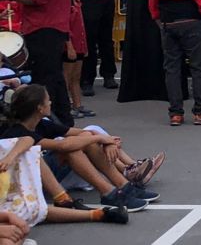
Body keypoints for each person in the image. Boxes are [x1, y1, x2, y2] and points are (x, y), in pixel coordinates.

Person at [0, 86, 130, 225]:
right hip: (22, 181)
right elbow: (59, 145)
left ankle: (124, 179)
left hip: (35, 176)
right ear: (40, 108)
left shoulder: (40, 123)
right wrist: (99, 139)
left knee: (86, 135)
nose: (50, 103)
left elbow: (82, 133)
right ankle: (111, 188)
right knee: (70, 148)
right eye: (48, 100)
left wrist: (106, 141)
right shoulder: (16, 131)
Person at [1, 0, 74, 125]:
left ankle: (53, 124)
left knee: (47, 79)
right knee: (51, 77)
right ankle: (62, 122)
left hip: (47, 27)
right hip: (36, 26)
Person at [64, 0, 91, 119]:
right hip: (70, 47)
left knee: (76, 77)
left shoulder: (78, 4)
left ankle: (78, 104)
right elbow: (66, 28)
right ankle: (66, 106)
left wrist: (84, 47)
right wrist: (69, 47)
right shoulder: (68, 7)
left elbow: (81, 28)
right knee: (66, 77)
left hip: (79, 45)